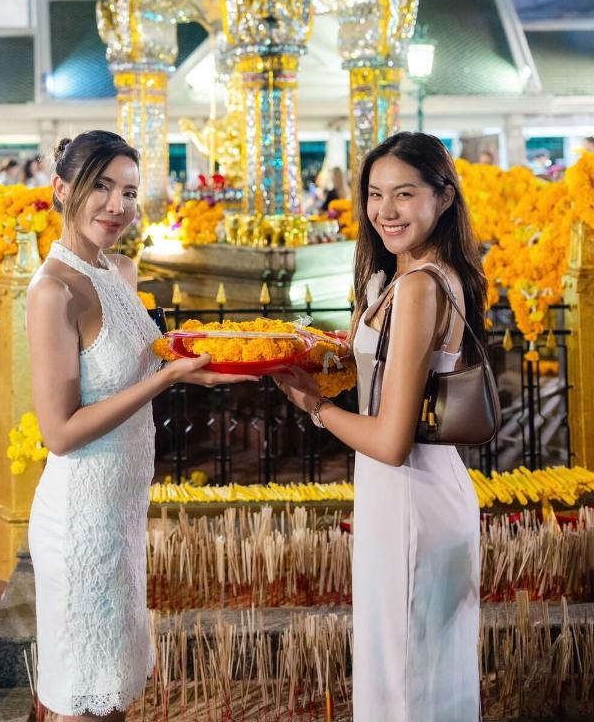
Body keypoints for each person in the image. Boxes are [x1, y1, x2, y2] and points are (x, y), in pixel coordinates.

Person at [26, 130, 257, 721]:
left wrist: (202, 369)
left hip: (121, 510)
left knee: (116, 690)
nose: (117, 206)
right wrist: (166, 379)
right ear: (62, 189)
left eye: (129, 192)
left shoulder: (121, 270)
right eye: (100, 187)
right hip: (80, 515)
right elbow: (60, 433)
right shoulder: (54, 291)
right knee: (84, 697)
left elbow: (139, 359)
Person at [273, 132, 484, 721]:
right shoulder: (409, 277)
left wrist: (314, 405)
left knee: (406, 686)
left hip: (412, 498)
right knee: (409, 674)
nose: (386, 210)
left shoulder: (418, 287)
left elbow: (391, 441)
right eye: (374, 194)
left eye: (404, 194)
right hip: (404, 495)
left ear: (443, 198)